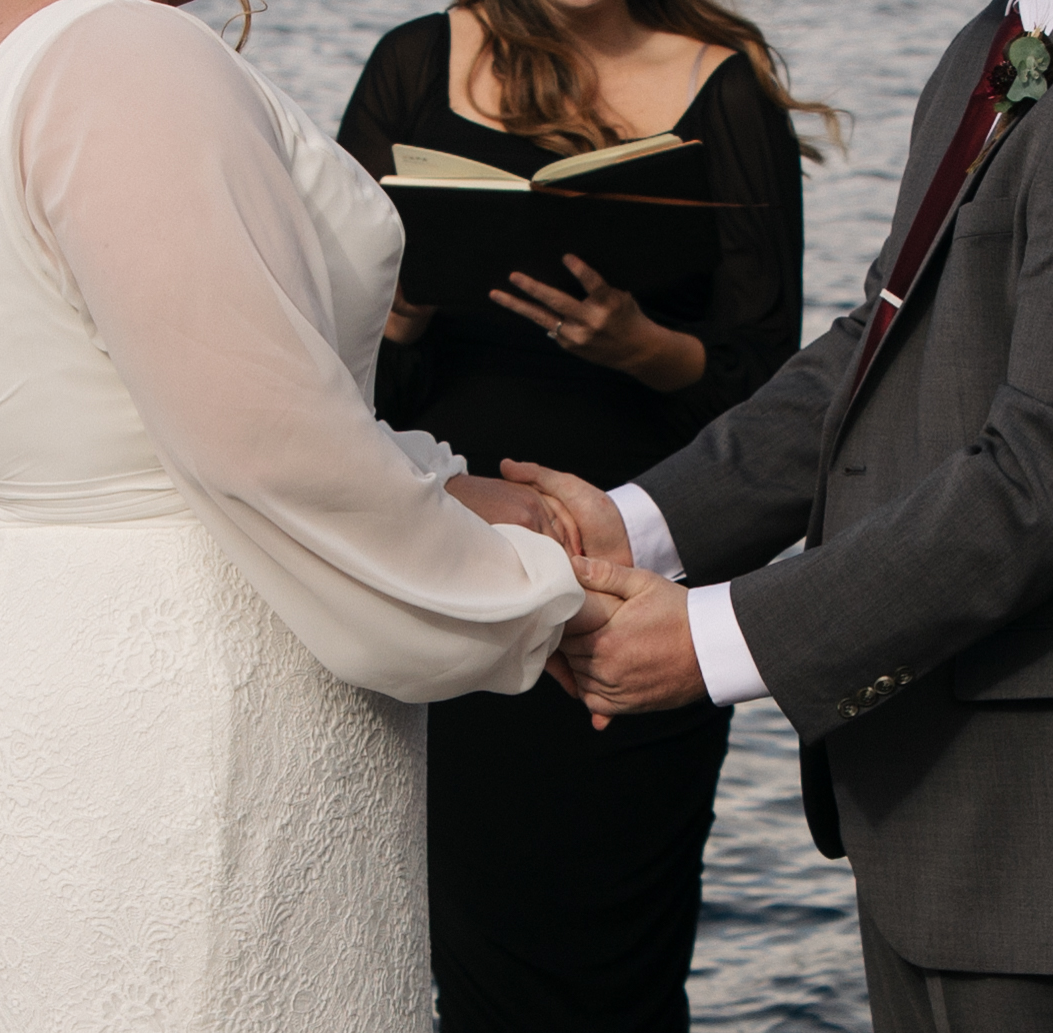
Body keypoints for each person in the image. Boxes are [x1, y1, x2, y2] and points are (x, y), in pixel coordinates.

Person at [512, 0, 1053, 1025]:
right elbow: (880, 341)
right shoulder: (1001, 41)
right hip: (948, 806)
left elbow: (1052, 474)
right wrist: (639, 523)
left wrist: (711, 639)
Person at [0, 0, 601, 1028]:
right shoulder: (124, 51)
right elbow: (272, 456)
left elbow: (80, 419)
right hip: (177, 768)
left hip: (4, 720)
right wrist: (540, 595)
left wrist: (436, 487)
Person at [335, 1, 833, 1026]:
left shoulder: (720, 86)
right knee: (465, 948)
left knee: (618, 955)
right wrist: (400, 309)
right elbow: (318, 380)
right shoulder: (416, 63)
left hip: (628, 592)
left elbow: (769, 389)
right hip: (444, 570)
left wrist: (641, 345)